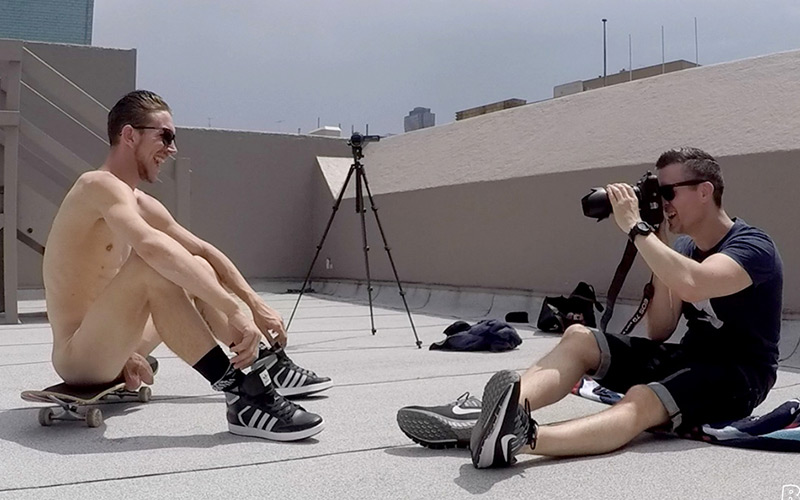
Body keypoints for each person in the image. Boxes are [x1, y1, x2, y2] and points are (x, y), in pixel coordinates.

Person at [398, 148, 783, 467]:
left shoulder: (752, 247)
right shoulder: (679, 249)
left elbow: (694, 281)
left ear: (704, 191)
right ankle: (496, 412)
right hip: (689, 356)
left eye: (669, 194)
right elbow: (660, 329)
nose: (662, 203)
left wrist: (638, 229)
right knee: (580, 337)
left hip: (739, 375)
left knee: (642, 399)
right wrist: (660, 239)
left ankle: (519, 439)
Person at [43, 90, 331, 441]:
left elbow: (204, 252)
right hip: (79, 355)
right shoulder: (97, 185)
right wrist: (233, 308)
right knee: (153, 267)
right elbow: (151, 248)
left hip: (118, 342)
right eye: (164, 136)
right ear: (129, 135)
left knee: (194, 265)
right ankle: (241, 395)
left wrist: (255, 306)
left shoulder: (137, 200)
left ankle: (265, 363)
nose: (173, 149)